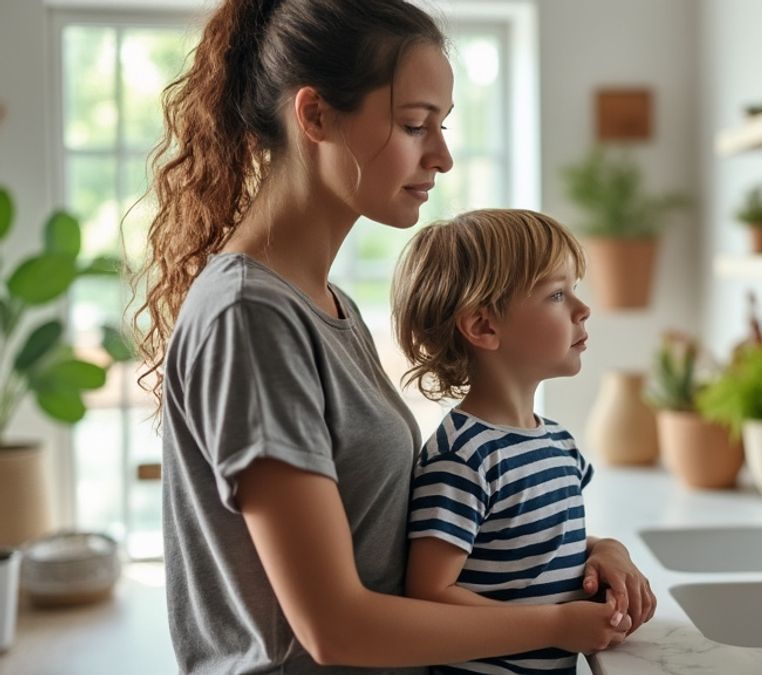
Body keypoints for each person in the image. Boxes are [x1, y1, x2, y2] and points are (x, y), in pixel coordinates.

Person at [132, 1, 653, 672]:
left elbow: (383, 543)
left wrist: (585, 553)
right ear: (315, 115)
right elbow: (336, 629)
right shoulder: (250, 315)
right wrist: (554, 623)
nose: (441, 156)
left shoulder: (328, 305)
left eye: (442, 126)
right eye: (415, 125)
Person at [392, 209, 641, 675]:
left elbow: (534, 544)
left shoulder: (559, 444)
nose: (583, 309)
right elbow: (429, 595)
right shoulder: (463, 458)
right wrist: (554, 625)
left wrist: (605, 549)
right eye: (558, 294)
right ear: (484, 327)